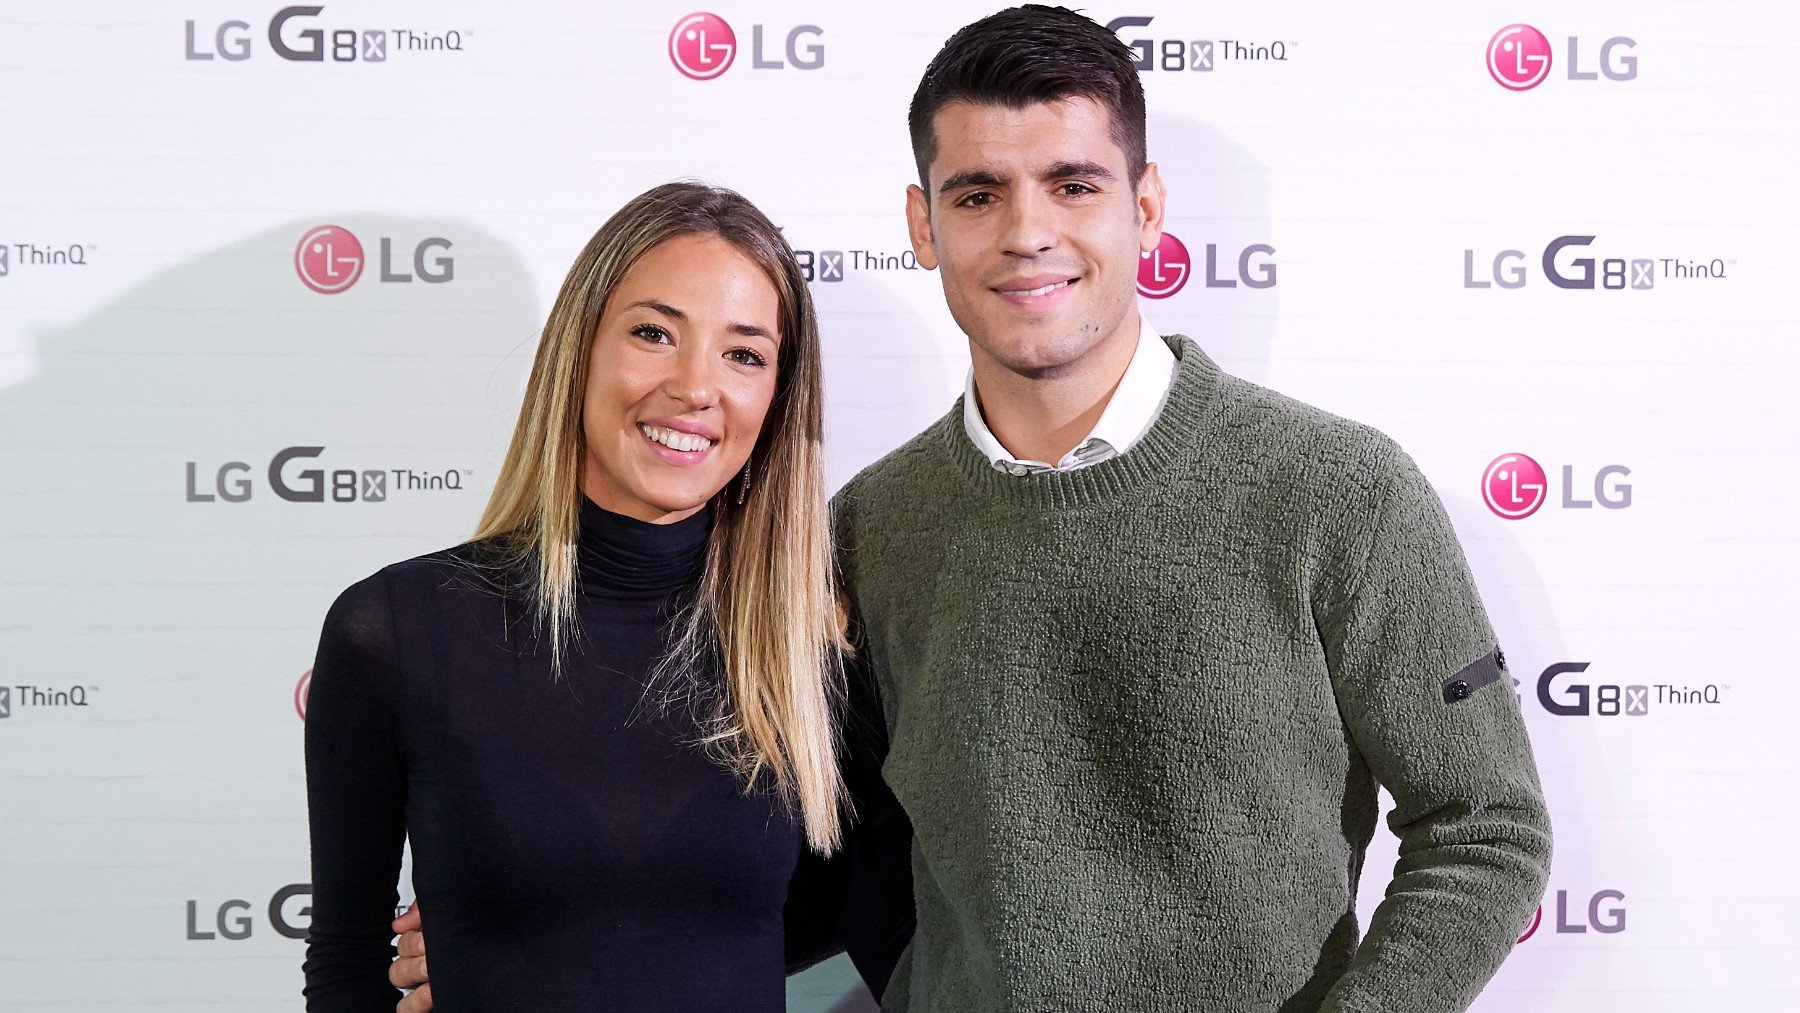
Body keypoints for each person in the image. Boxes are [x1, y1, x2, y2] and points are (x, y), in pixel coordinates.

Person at [395, 7, 1553, 1012]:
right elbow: (790, 880)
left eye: (1075, 185)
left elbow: (1486, 827)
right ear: (921, 223)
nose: (1027, 232)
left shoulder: (1339, 492)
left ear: (1146, 210)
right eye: (979, 193)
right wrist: (531, 948)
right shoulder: (860, 533)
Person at [302, 181, 905, 1011]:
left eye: (744, 354)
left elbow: (875, 923)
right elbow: (344, 961)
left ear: (775, 399)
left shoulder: (817, 651)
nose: (697, 386)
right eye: (654, 333)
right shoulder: (398, 629)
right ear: (579, 350)